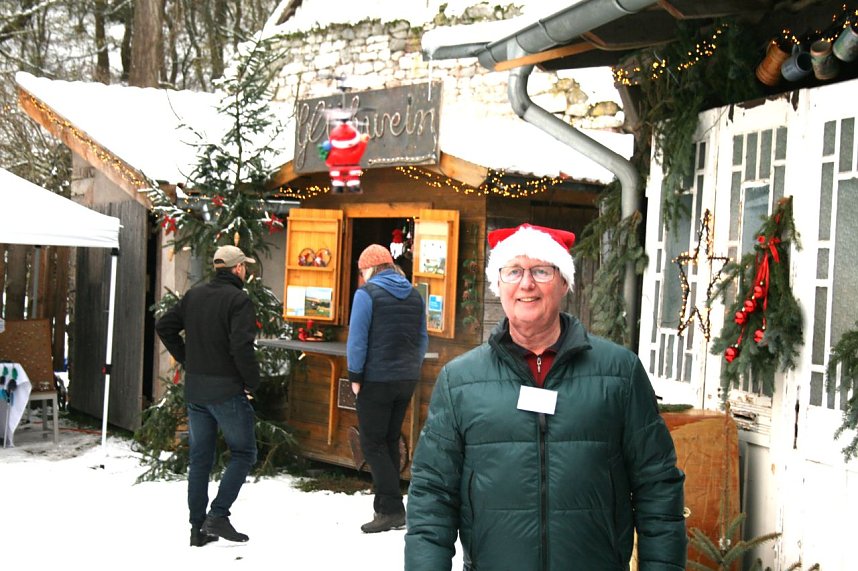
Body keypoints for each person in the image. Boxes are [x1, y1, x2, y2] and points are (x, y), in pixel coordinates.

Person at [405, 224, 687, 570]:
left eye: (541, 270)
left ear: (564, 282)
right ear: (499, 285)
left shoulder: (620, 374)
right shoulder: (460, 381)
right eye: (513, 271)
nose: (526, 284)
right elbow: (432, 495)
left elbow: (657, 488)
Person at [155, 245, 260, 547]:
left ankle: (197, 528)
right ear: (238, 268)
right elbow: (241, 347)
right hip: (226, 390)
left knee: (200, 459)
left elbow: (165, 326)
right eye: (244, 267)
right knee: (244, 452)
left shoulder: (195, 295)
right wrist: (252, 382)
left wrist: (188, 359)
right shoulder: (239, 300)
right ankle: (218, 515)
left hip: (196, 391)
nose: (246, 271)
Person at [348, 244, 429, 533]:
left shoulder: (366, 295)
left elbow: (357, 340)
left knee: (372, 443)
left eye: (361, 270)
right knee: (390, 440)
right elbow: (422, 339)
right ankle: (384, 508)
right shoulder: (414, 294)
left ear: (371, 268)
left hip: (375, 379)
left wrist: (355, 376)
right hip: (405, 379)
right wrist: (411, 369)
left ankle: (393, 509)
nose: (361, 276)